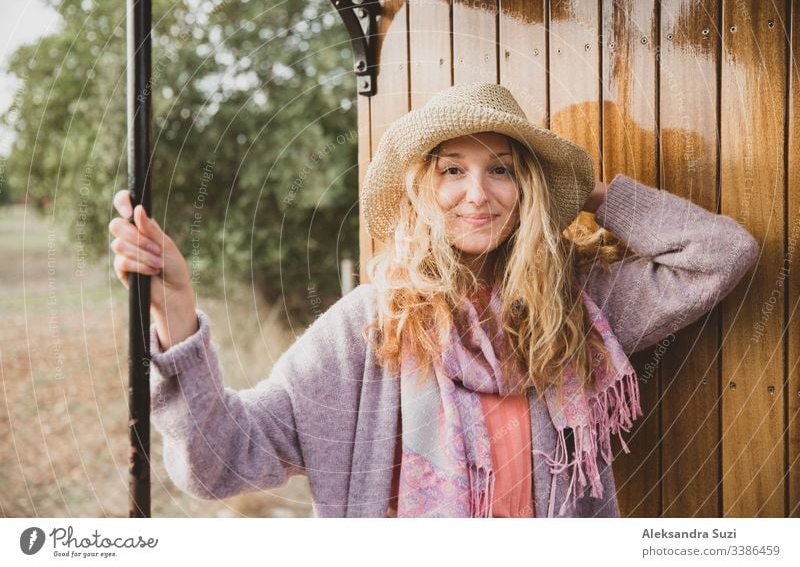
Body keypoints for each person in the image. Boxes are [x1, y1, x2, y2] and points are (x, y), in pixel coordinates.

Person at [108, 82, 759, 517]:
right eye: (452, 169)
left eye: (501, 168)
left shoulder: (577, 305)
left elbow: (722, 254)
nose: (478, 193)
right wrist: (177, 309)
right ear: (423, 188)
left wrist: (581, 191)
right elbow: (221, 461)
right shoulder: (371, 325)